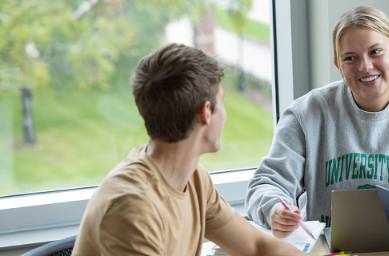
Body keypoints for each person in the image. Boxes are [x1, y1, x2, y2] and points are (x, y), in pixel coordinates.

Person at [246, 6, 389, 237]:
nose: (365, 66)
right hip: (329, 250)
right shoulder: (306, 114)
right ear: (338, 64)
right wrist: (275, 210)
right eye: (350, 58)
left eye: (376, 52)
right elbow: (266, 184)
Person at [73, 44, 302, 255]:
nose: (226, 115)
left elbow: (256, 246)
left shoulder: (193, 178)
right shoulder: (131, 208)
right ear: (206, 112)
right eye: (222, 103)